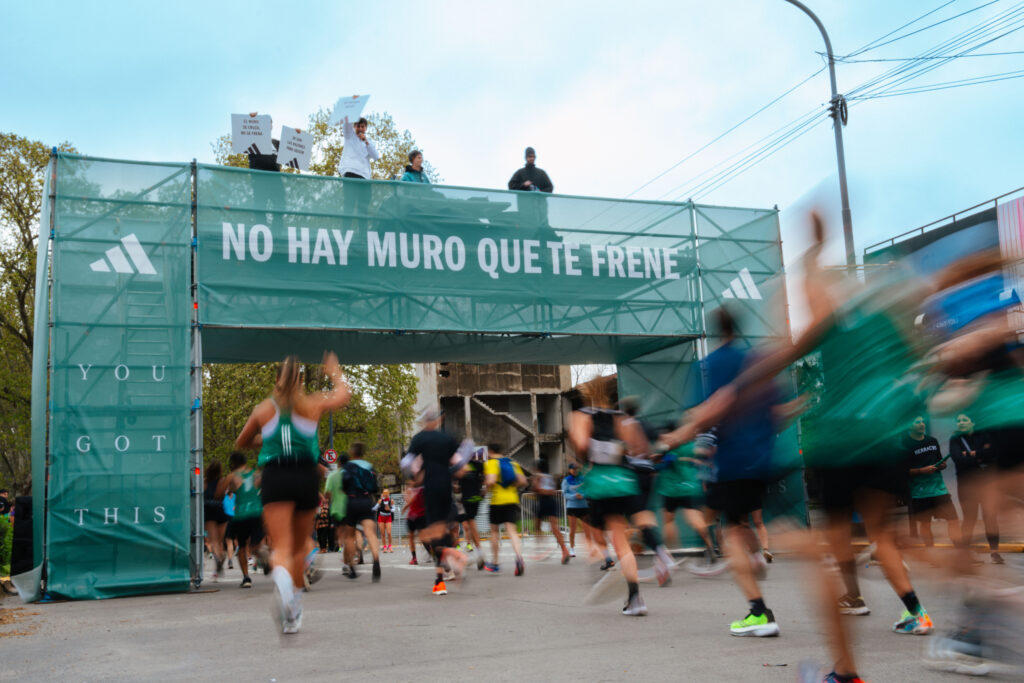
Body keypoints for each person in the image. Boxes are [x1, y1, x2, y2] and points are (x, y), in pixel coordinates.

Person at [234, 353, 350, 634]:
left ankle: (285, 589)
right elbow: (343, 395)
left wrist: (266, 439)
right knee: (299, 549)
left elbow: (242, 441)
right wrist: (334, 371)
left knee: (282, 548)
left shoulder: (264, 409)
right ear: (300, 381)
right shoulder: (312, 403)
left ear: (276, 378)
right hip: (305, 476)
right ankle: (293, 610)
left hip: (275, 477)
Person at [568, 375, 648, 617]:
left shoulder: (581, 416)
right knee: (622, 539)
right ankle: (635, 596)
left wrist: (587, 455)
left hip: (601, 484)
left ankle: (599, 558)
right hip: (625, 481)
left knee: (598, 534)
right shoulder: (621, 418)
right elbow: (639, 448)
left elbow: (581, 445)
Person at [405, 408, 470, 595]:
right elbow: (461, 467)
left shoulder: (419, 439)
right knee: (440, 534)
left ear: (425, 421)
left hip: (430, 490)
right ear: (439, 420)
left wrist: (414, 479)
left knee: (429, 537)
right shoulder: (447, 439)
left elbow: (408, 463)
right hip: (446, 489)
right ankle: (439, 580)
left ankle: (455, 557)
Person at [948, 413, 1000, 563]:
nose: (961, 423)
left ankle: (995, 552)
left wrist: (971, 454)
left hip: (986, 483)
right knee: (969, 519)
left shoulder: (984, 434)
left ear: (973, 422)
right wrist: (980, 455)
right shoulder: (955, 439)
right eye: (958, 420)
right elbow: (958, 459)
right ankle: (965, 554)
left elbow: (992, 453)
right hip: (966, 485)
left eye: (964, 420)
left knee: (990, 517)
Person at [904, 415, 961, 550]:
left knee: (954, 520)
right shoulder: (905, 445)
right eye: (918, 422)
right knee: (925, 524)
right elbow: (902, 471)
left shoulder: (932, 441)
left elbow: (940, 461)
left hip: (939, 489)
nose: (922, 424)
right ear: (909, 425)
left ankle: (961, 551)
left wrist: (942, 465)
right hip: (919, 492)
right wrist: (921, 471)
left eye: (923, 421)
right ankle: (931, 551)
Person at [483, 443, 526, 576]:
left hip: (497, 501)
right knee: (512, 531)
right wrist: (511, 485)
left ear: (490, 451)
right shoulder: (512, 463)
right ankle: (519, 557)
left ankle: (495, 563)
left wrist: (485, 488)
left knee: (494, 531)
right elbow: (523, 481)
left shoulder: (491, 463)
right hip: (512, 499)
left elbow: (491, 481)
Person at [341, 442, 381, 581]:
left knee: (350, 536)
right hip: (366, 500)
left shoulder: (347, 467)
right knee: (370, 533)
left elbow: (343, 486)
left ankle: (352, 567)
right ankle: (376, 560)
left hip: (351, 501)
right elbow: (374, 487)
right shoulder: (369, 466)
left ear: (352, 452)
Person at [224, 451, 264, 589]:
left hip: (241, 514)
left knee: (242, 546)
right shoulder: (256, 474)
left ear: (233, 464)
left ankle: (246, 577)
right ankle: (261, 553)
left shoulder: (232, 476)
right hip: (257, 512)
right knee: (256, 543)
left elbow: (223, 492)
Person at [531, 460, 571, 563]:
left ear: (538, 468)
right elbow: (553, 489)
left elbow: (537, 489)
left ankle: (543, 548)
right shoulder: (550, 477)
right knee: (554, 527)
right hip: (552, 501)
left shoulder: (538, 476)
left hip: (543, 501)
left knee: (537, 527)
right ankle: (564, 550)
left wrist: (535, 483)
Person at [455, 453, 486, 568]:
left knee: (466, 524)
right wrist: (483, 489)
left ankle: (477, 553)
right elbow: (485, 477)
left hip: (466, 499)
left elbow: (457, 487)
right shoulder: (478, 465)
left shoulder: (460, 466)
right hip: (475, 498)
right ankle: (477, 552)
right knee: (470, 524)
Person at [203, 461, 230, 581]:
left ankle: (217, 560)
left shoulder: (204, 482)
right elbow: (222, 495)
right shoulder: (222, 481)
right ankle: (221, 557)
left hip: (209, 511)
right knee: (220, 541)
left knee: (213, 541)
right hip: (220, 510)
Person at [561, 462, 589, 558]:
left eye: (576, 469)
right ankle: (572, 548)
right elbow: (564, 494)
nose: (575, 470)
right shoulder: (566, 480)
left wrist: (583, 495)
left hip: (583, 506)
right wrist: (574, 496)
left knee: (587, 529)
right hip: (572, 507)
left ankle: (590, 547)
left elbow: (588, 490)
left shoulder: (583, 478)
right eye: (573, 469)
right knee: (573, 529)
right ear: (569, 470)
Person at [323, 455, 348, 563]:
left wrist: (331, 497)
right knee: (349, 532)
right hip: (349, 507)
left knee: (340, 531)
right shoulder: (350, 474)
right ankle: (351, 551)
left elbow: (327, 494)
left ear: (339, 463)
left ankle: (342, 549)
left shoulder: (332, 475)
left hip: (336, 509)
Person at [376, 489, 395, 553]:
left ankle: (390, 546)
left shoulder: (391, 500)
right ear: (383, 494)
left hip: (388, 517)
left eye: (387, 493)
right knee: (383, 533)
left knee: (389, 533)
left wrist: (389, 509)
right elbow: (375, 508)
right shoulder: (380, 500)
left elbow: (394, 509)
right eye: (384, 493)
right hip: (381, 517)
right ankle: (384, 547)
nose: (385, 494)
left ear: (388, 494)